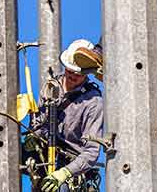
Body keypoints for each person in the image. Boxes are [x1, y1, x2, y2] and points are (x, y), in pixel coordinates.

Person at [23, 39, 103, 192]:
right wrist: (35, 135)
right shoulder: (51, 86)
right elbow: (40, 124)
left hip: (70, 163)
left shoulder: (93, 102)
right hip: (44, 152)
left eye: (78, 73)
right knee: (5, 156)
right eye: (70, 70)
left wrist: (65, 173)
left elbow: (91, 152)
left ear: (87, 74)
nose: (73, 75)